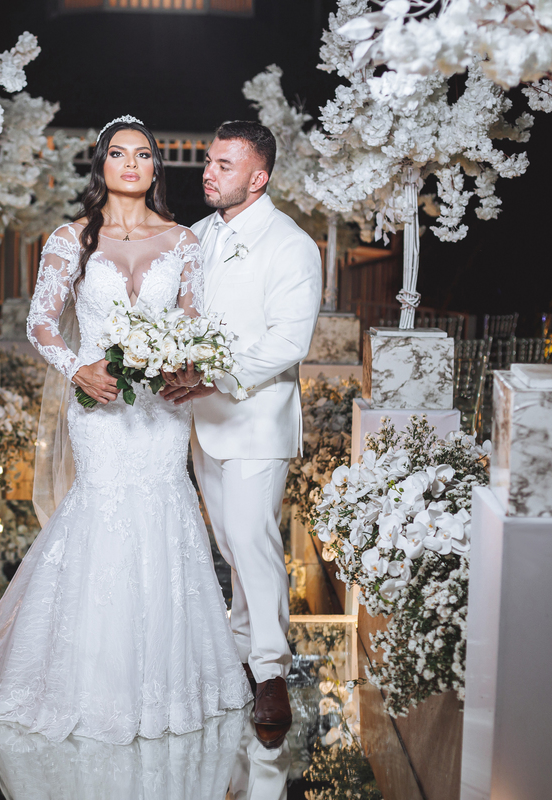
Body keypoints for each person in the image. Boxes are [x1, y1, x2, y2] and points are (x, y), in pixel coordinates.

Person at [0, 116, 252, 744]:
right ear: (101, 167)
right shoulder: (69, 239)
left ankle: (169, 682)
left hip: (158, 410)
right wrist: (77, 368)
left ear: (155, 168)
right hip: (96, 406)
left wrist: (180, 364)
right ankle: (83, 679)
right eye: (118, 154)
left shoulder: (183, 243)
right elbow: (42, 323)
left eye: (143, 155)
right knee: (101, 512)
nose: (131, 164)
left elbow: (195, 321)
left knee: (165, 511)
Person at [162, 121, 323, 747]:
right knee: (231, 543)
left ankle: (271, 671)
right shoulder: (198, 236)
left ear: (258, 178)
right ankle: (241, 651)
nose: (208, 172)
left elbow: (289, 342)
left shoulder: (292, 245)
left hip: (256, 417)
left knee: (254, 541)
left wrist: (213, 375)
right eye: (208, 161)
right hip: (206, 422)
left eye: (224, 165)